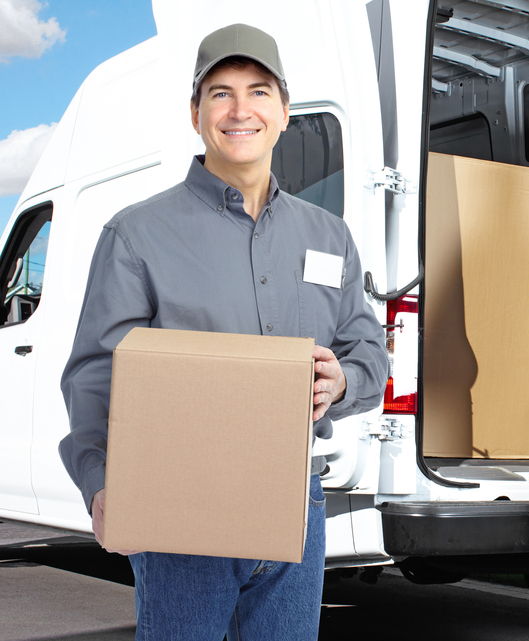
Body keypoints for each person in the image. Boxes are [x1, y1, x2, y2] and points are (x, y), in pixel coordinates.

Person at [59, 23, 388, 640]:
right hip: (180, 508)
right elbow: (96, 375)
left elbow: (366, 347)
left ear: (285, 112)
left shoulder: (328, 235)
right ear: (195, 113)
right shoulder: (137, 234)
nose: (241, 110)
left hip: (297, 502)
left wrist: (343, 381)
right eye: (221, 93)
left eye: (259, 92)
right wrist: (102, 482)